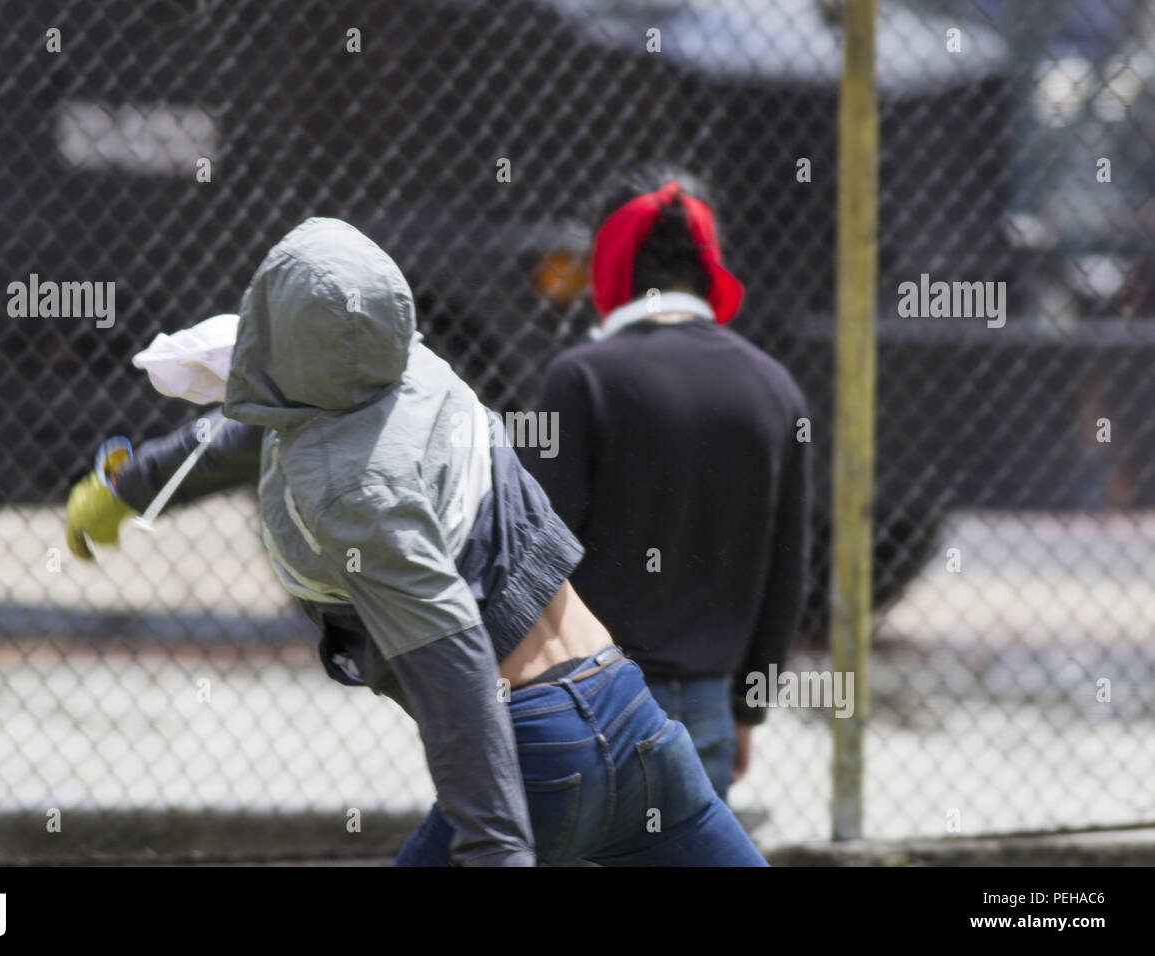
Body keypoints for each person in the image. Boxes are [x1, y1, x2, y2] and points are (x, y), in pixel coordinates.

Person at [64, 217, 766, 866]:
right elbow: (261, 424)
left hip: (538, 759)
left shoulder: (353, 494)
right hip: (636, 720)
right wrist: (135, 485)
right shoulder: (414, 369)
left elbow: (453, 654)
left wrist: (495, 847)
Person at [519, 170, 812, 803]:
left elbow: (534, 561)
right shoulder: (775, 389)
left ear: (612, 261)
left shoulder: (580, 379)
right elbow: (789, 575)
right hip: (707, 706)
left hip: (588, 705)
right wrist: (747, 709)